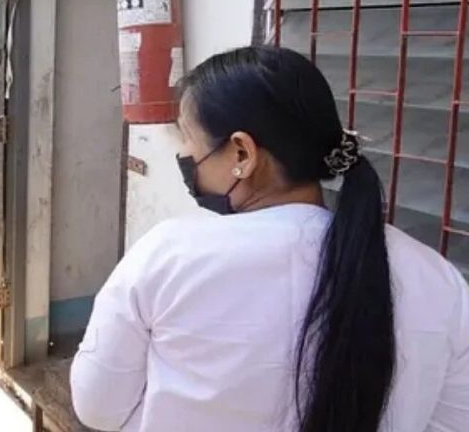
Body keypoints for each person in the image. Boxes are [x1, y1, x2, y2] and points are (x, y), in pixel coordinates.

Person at [70, 45, 469, 432]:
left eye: (188, 144)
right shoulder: (435, 278)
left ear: (242, 153)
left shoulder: (167, 256)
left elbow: (97, 406)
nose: (187, 161)